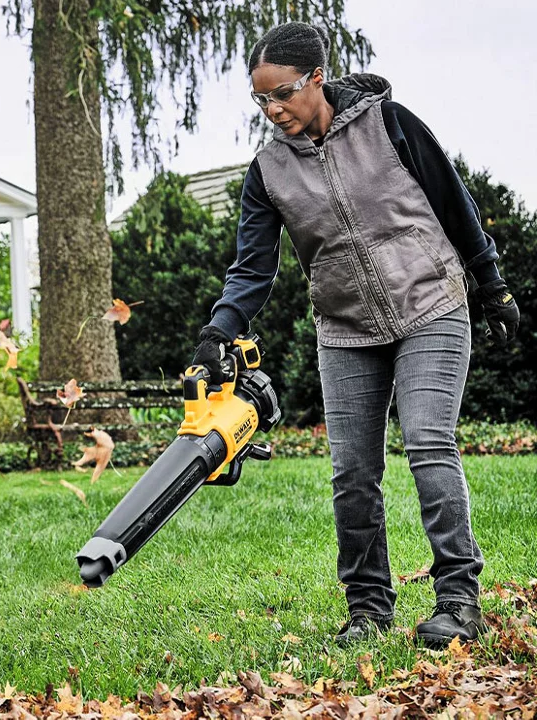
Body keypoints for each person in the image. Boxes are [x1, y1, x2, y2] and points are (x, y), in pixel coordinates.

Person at [190, 22, 521, 648]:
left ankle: (457, 599)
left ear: (317, 77)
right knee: (352, 472)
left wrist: (492, 283)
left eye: (282, 93)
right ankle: (368, 606)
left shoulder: (390, 124)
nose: (273, 110)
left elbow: (455, 203)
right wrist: (219, 329)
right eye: (260, 99)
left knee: (427, 441)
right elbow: (253, 269)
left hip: (431, 302)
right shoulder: (267, 170)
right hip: (344, 326)